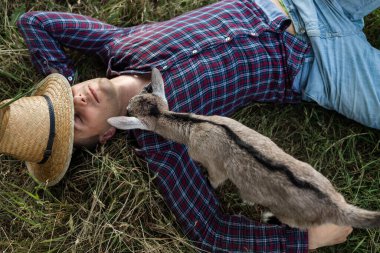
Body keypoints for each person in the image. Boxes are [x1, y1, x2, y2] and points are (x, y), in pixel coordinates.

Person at [16, 0, 380, 251]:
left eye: (69, 97)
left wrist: (61, 83)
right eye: (78, 119)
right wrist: (306, 240)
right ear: (107, 134)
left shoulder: (116, 44)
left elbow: (34, 21)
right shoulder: (164, 142)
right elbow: (210, 231)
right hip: (317, 66)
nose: (79, 100)